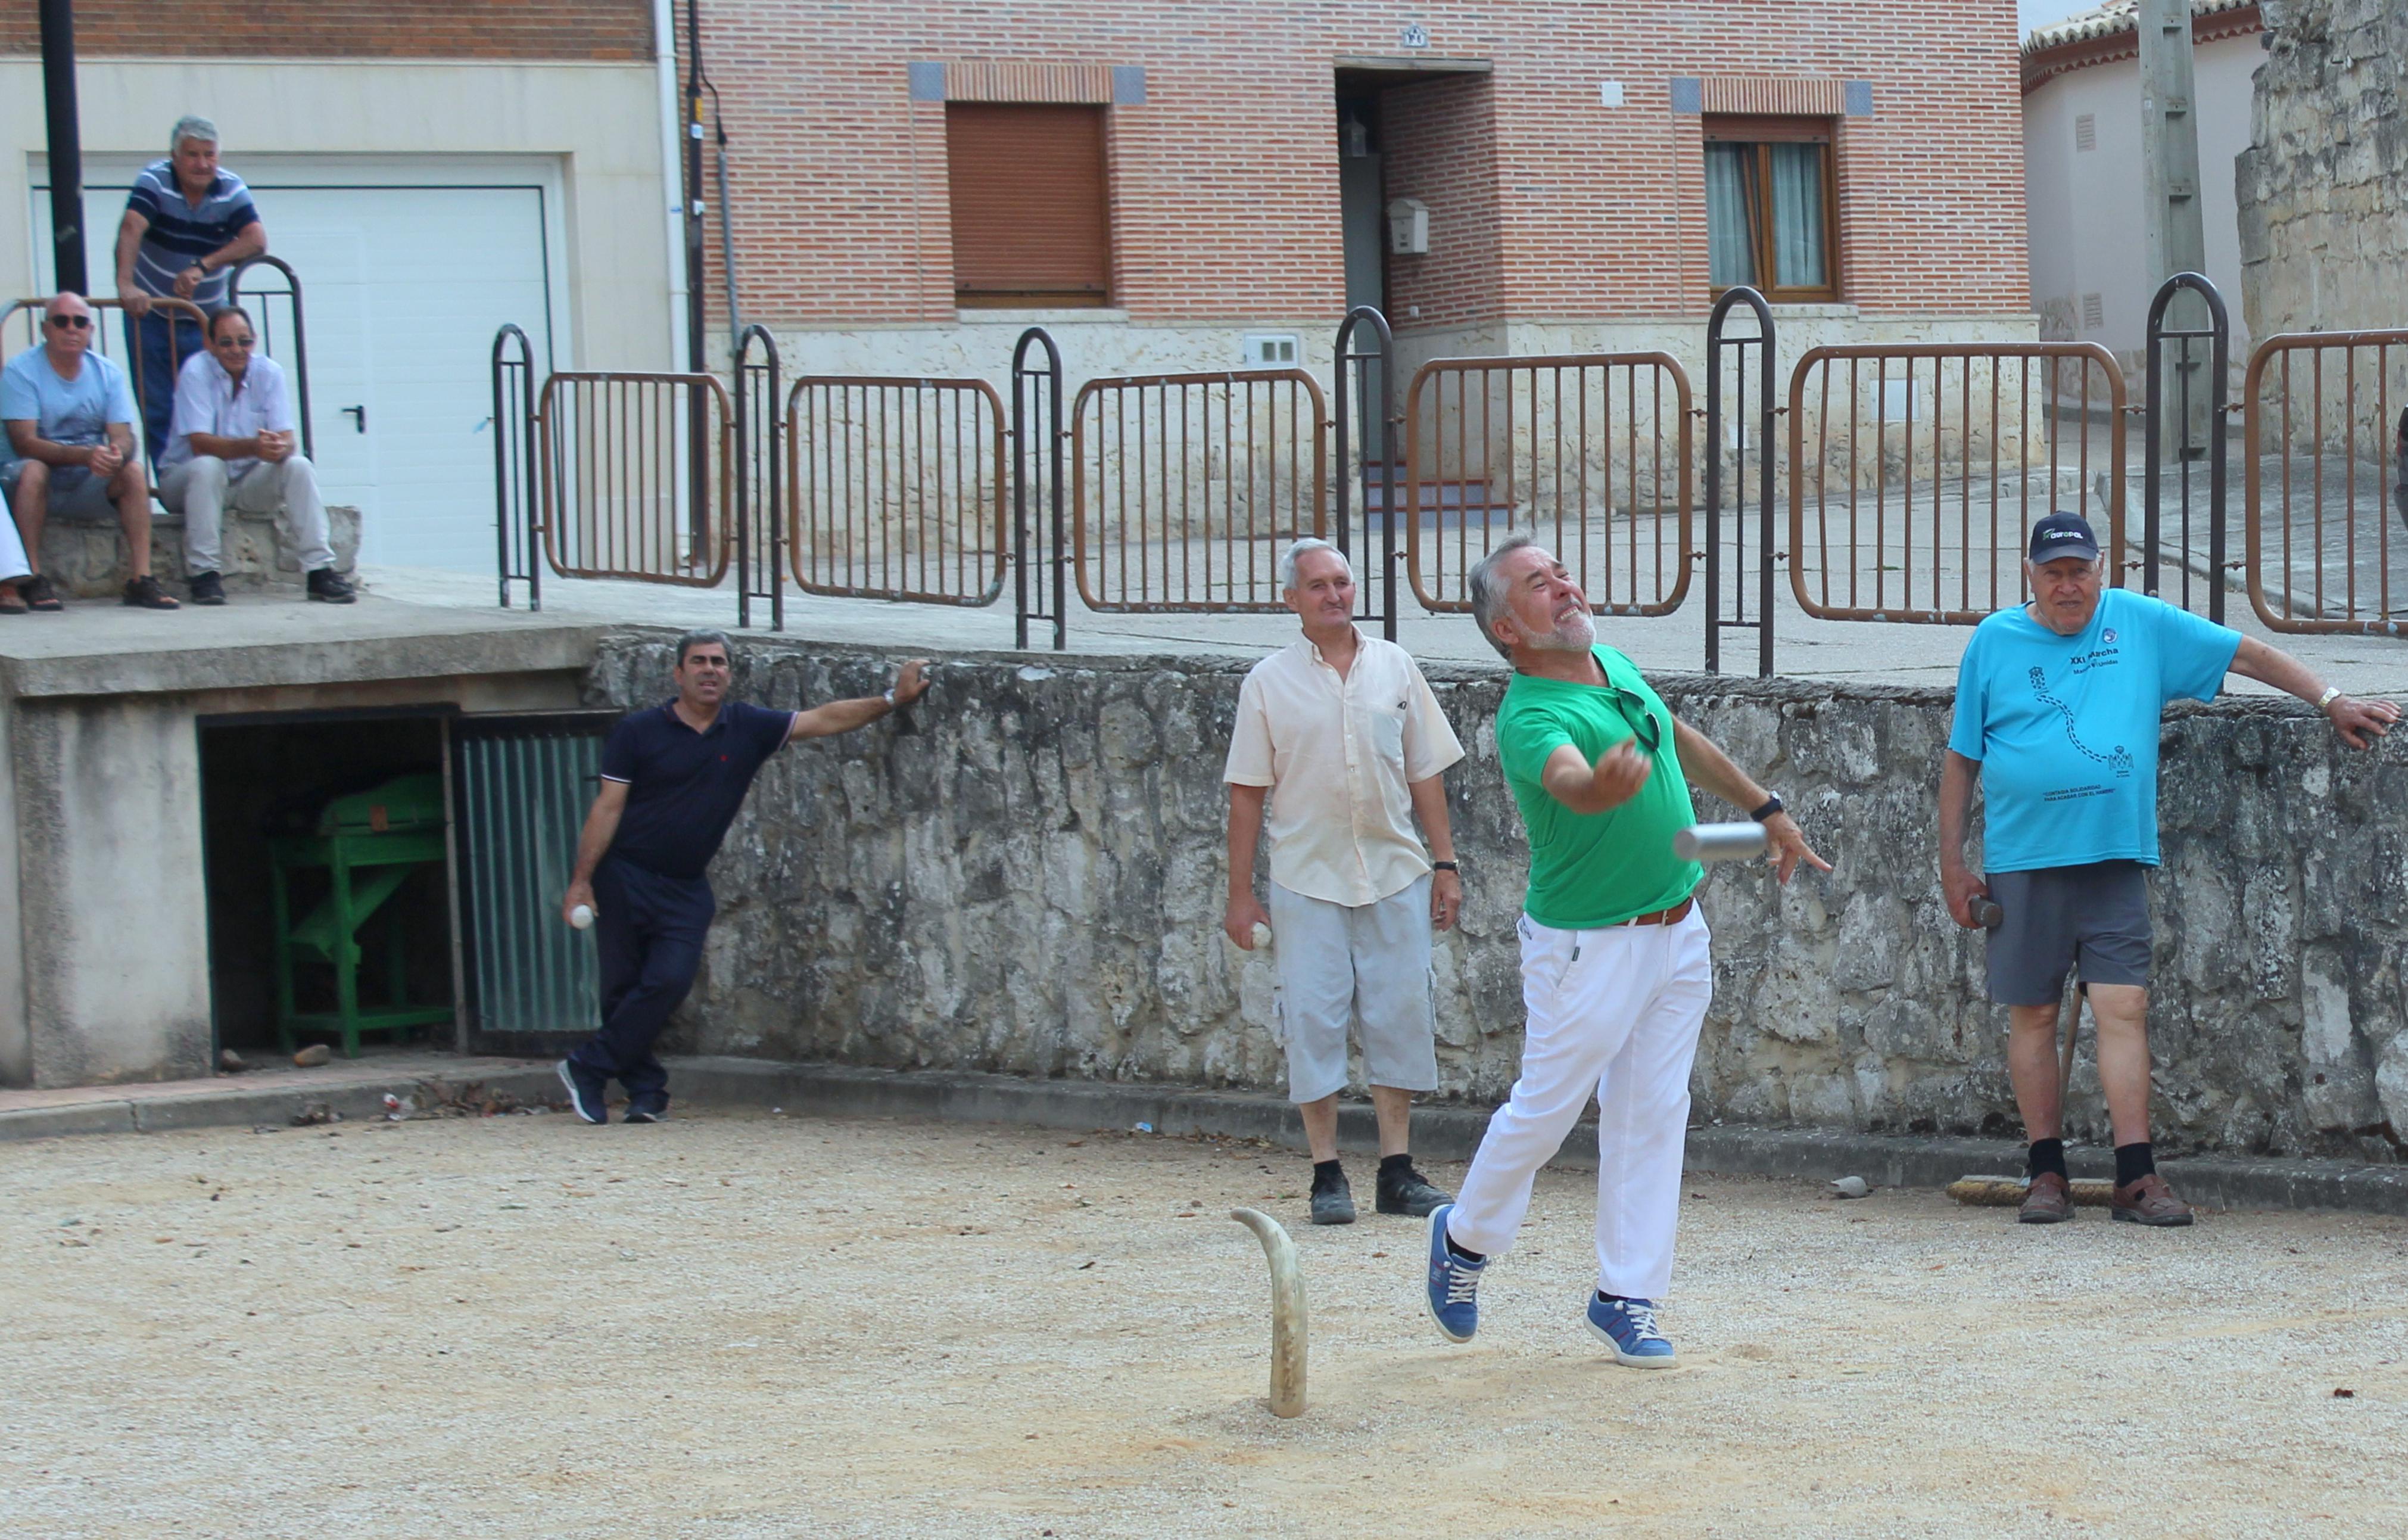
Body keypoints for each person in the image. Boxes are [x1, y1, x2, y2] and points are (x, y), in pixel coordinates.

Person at [1421, 534, 1828, 1367]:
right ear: (1508, 629)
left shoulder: (1609, 662)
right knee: (1546, 1108)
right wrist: (1600, 789)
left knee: (1653, 1112)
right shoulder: (1530, 716)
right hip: (1587, 948)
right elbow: (1569, 778)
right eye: (1538, 585)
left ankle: (1625, 1294)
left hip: (1675, 929)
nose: (1563, 587)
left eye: (1559, 572)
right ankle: (1461, 1242)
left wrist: (1765, 806)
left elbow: (1673, 736)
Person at [1940, 512, 2398, 1227]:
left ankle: (2135, 1175)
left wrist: (2330, 700)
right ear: (2029, 575)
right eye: (2053, 572)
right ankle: (2045, 1171)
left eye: (2079, 570)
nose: (2069, 586)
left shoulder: (2137, 622)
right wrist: (1951, 865)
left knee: (2123, 1006)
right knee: (2031, 1011)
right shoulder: (1993, 642)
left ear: (2101, 569)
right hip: (2022, 857)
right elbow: (1961, 756)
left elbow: (2245, 653)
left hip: (2112, 855)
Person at [557, 631, 932, 1124]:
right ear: (678, 674)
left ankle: (587, 1067)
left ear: (729, 673)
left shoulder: (746, 727)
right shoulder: (638, 732)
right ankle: (647, 1090)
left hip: (686, 884)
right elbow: (607, 807)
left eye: (718, 662)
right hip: (625, 874)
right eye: (698, 662)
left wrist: (892, 698)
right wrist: (582, 881)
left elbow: (821, 719)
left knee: (667, 981)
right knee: (623, 992)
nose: (709, 669)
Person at [1223, 538, 1464, 1225]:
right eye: (1318, 585)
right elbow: (1246, 793)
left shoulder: (1395, 666)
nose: (1334, 595)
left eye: (1342, 582)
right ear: (1290, 599)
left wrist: (1443, 863)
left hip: (1392, 868)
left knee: (1398, 1013)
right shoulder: (1266, 682)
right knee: (1312, 1019)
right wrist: (1241, 895)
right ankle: (1325, 1170)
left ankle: (1396, 1166)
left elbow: (1425, 771)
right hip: (1307, 875)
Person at [158, 305, 353, 604]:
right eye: (226, 342)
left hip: (245, 483)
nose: (236, 350)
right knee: (209, 466)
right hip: (186, 483)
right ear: (209, 344)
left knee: (299, 465)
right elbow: (200, 444)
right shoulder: (196, 371)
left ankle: (319, 570)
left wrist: (279, 447)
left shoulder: (269, 372)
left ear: (255, 340)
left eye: (244, 341)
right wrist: (253, 447)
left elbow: (288, 437)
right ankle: (204, 574)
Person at [0, 293, 179, 611]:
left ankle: (142, 578)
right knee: (33, 469)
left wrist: (116, 453)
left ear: (91, 330)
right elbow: (24, 443)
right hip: (33, 483)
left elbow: (125, 437)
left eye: (80, 322)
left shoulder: (107, 373)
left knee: (133, 470)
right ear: (45, 329)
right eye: (62, 321)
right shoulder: (21, 372)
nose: (72, 329)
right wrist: (86, 455)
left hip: (87, 481)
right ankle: (32, 577)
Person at [115, 115, 266, 463]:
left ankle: (219, 480)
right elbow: (131, 227)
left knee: (215, 400)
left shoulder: (231, 188)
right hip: (152, 314)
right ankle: (172, 485)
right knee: (158, 406)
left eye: (209, 155)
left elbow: (256, 239)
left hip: (206, 320)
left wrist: (203, 266)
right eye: (193, 154)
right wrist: (126, 286)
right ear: (175, 156)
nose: (202, 164)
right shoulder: (154, 180)